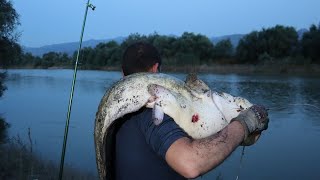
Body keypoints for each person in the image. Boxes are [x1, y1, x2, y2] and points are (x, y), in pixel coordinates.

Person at [114, 42, 269, 179]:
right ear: (156, 69)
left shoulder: (118, 115)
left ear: (122, 73)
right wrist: (245, 123)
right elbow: (190, 164)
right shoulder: (151, 113)